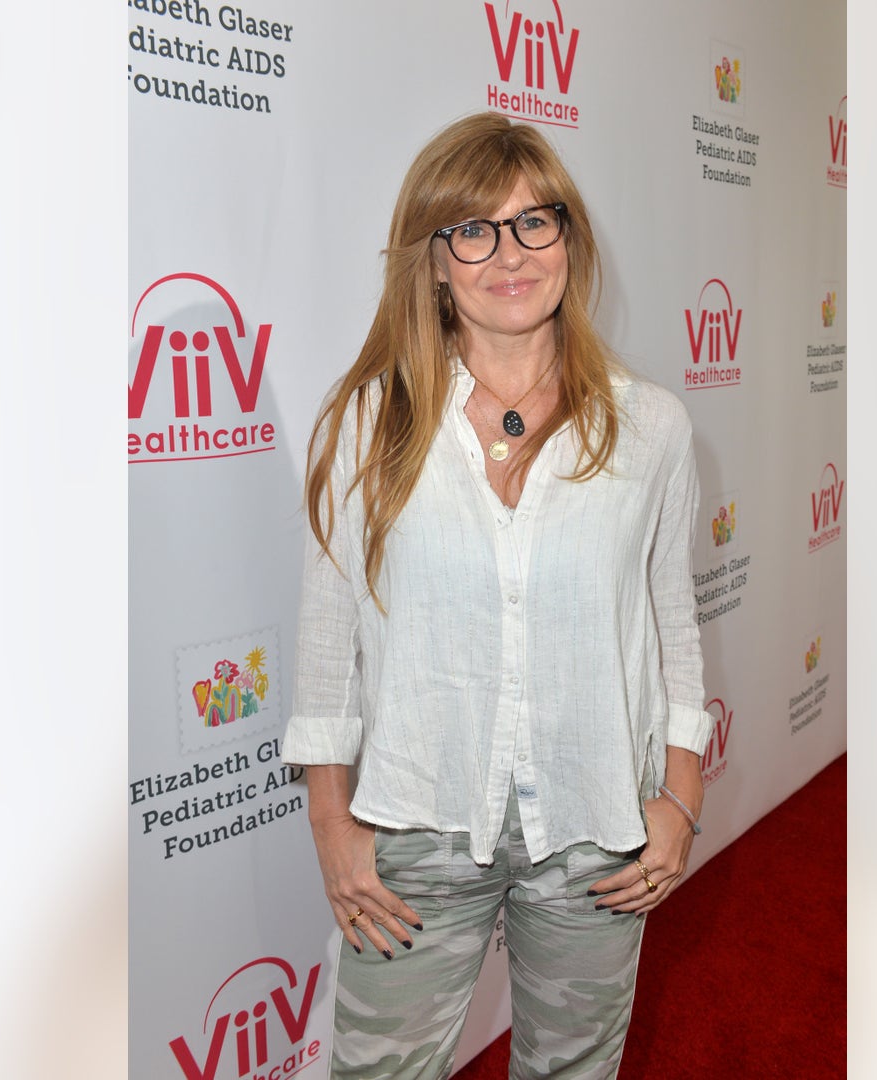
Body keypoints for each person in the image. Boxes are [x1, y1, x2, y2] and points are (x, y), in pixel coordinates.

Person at [283, 112, 708, 1080]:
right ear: (434, 261)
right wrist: (333, 826)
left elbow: (670, 621)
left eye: (533, 222)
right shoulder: (367, 423)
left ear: (569, 239)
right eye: (473, 230)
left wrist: (681, 797)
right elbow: (328, 635)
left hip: (596, 821)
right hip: (418, 816)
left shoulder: (652, 428)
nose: (509, 254)